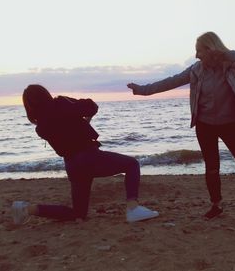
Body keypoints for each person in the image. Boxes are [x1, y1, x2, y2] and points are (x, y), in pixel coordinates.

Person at [127, 31, 235, 223]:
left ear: (211, 49)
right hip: (205, 126)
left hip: (230, 124)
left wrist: (227, 53)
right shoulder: (196, 70)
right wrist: (142, 90)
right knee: (212, 167)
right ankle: (216, 205)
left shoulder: (234, 65)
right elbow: (171, 81)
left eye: (199, 51)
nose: (197, 55)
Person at [12, 84, 159, 224]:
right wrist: (82, 116)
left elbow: (67, 137)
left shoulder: (41, 127)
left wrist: (82, 122)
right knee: (132, 164)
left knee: (78, 214)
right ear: (45, 94)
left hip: (73, 165)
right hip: (90, 157)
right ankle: (133, 208)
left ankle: (27, 209)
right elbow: (91, 106)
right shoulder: (62, 103)